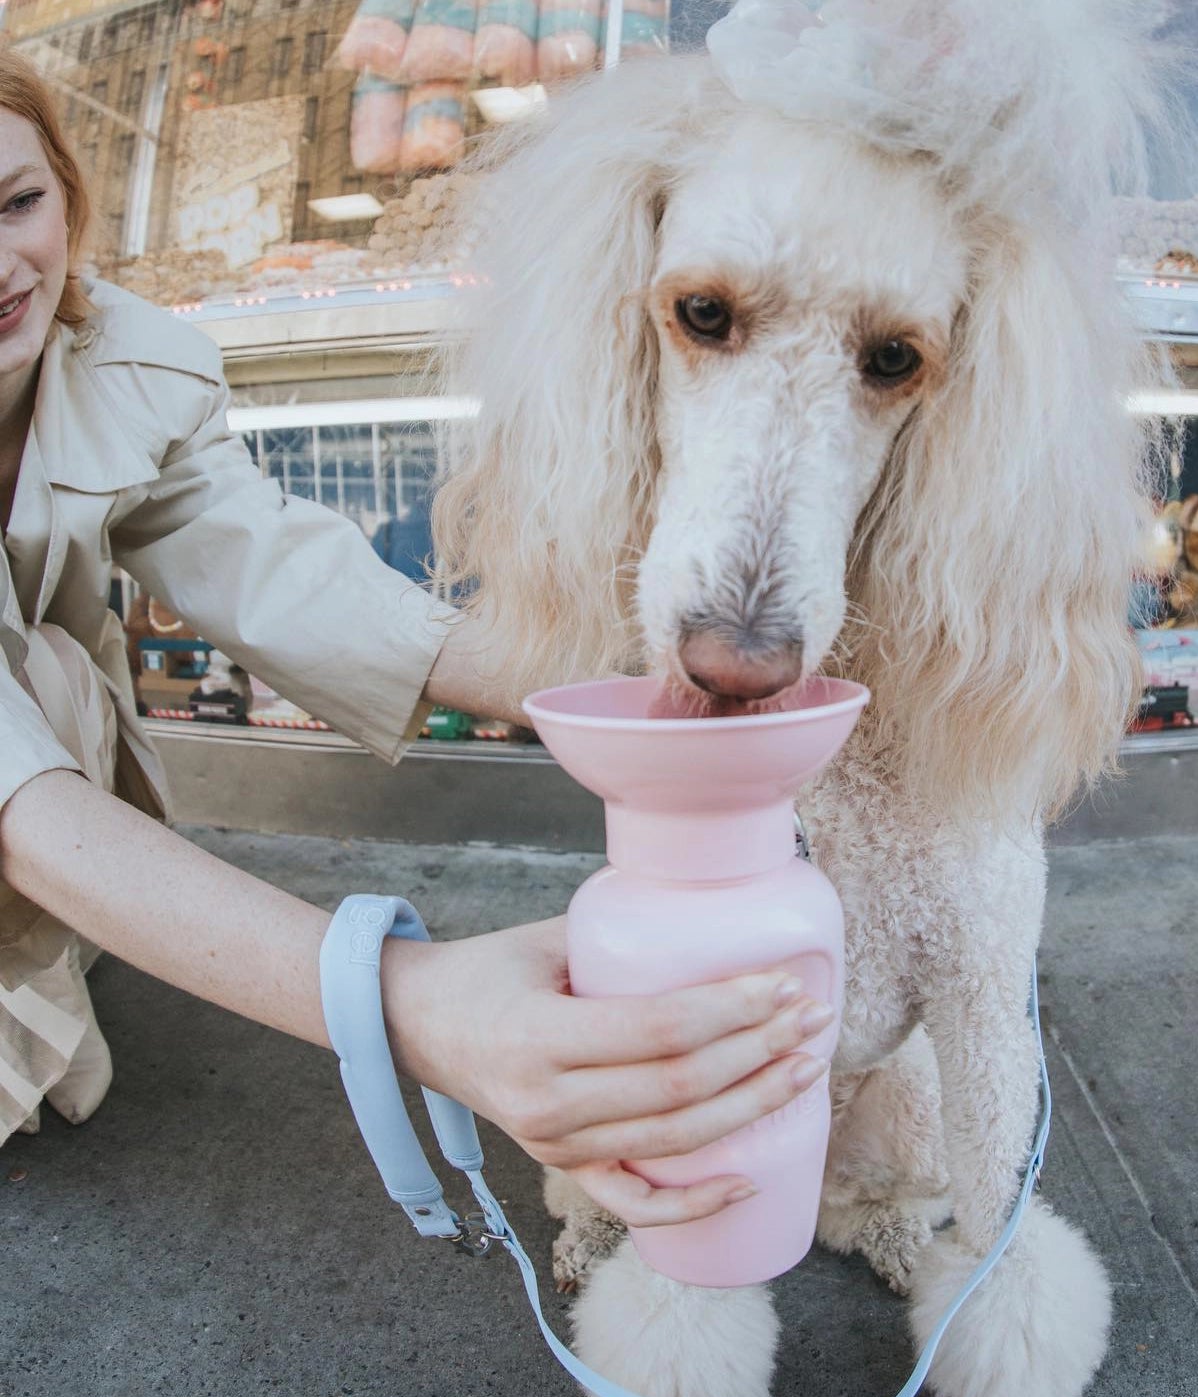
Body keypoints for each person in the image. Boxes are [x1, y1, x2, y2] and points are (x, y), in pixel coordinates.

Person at [0, 46, 832, 1226]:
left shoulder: (119, 360)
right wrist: (408, 1003)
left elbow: (281, 575)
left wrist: (652, 691)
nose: (0, 267)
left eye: (17, 203)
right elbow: (17, 792)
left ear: (70, 193)